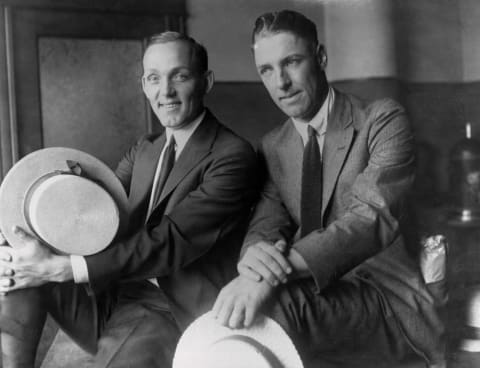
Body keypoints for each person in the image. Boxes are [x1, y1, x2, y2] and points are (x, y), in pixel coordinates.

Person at [0, 31, 258, 367]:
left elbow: (170, 242)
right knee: (18, 281)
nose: (165, 92)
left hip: (171, 308)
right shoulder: (145, 149)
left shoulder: (232, 155)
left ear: (206, 81)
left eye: (179, 76)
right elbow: (95, 217)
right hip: (114, 293)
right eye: (154, 78)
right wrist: (23, 247)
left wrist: (65, 268)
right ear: (144, 85)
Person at [212, 10, 445, 368]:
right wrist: (254, 262)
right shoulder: (274, 145)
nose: (281, 83)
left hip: (381, 294)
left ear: (320, 57)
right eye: (267, 70)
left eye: (291, 62)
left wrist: (271, 276)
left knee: (272, 310)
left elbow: (371, 220)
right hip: (312, 291)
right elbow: (266, 224)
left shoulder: (382, 120)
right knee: (236, 313)